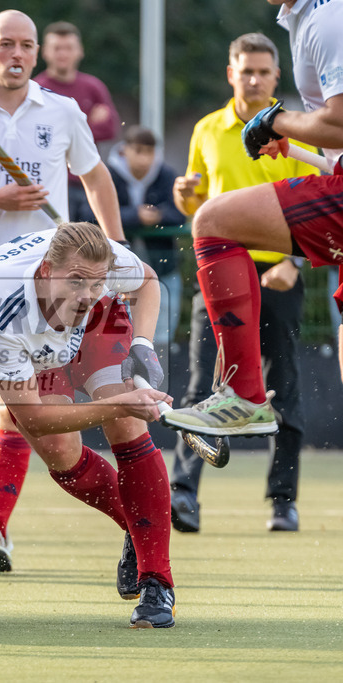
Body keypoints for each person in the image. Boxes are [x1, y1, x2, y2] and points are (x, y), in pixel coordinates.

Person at [0, 9, 128, 575]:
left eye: (26, 46)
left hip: (51, 293)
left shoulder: (62, 111)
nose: (17, 54)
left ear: (37, 55)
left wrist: (115, 248)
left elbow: (95, 176)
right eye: (5, 44)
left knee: (20, 413)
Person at [0, 222, 176, 628]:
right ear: (46, 270)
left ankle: (156, 582)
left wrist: (142, 345)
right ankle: (137, 524)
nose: (86, 294)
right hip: (35, 341)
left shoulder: (103, 270)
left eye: (95, 283)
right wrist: (122, 404)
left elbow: (147, 281)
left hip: (100, 326)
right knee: (60, 450)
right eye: (76, 281)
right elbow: (35, 420)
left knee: (129, 430)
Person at [162, 0, 343, 441]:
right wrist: (294, 140)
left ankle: (244, 396)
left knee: (215, 221)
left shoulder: (327, 17)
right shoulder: (308, 17)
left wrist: (276, 119)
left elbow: (339, 122)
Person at [165, 32, 321, 533]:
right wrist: (183, 196)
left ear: (277, 76)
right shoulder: (206, 129)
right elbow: (197, 209)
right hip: (219, 275)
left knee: (285, 386)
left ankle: (283, 500)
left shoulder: (295, 131)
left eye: (262, 71)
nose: (253, 78)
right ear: (230, 74)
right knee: (199, 384)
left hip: (278, 272)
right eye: (245, 70)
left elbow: (316, 205)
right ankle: (183, 495)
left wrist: (293, 264)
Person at [105, 124, 186, 347]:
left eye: (149, 151)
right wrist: (135, 215)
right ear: (124, 150)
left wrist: (157, 215)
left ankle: (156, 366)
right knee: (118, 326)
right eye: (138, 150)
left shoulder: (166, 173)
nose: (144, 159)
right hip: (116, 267)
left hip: (162, 265)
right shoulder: (106, 174)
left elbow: (181, 212)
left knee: (163, 323)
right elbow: (89, 213)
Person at [33, 21, 121, 224]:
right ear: (44, 52)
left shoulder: (93, 87)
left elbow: (110, 128)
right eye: (57, 48)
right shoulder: (36, 89)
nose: (63, 54)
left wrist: (63, 130)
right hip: (53, 185)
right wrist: (87, 123)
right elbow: (36, 137)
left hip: (90, 181)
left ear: (80, 51)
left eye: (69, 48)